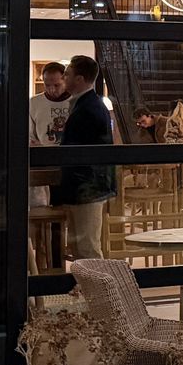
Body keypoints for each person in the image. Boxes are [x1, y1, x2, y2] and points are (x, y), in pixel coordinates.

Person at [54, 55, 117, 261]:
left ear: (80, 79)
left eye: (68, 74)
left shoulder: (90, 108)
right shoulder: (85, 104)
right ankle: (83, 288)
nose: (64, 77)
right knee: (78, 245)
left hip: (88, 186)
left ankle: (99, 291)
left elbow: (87, 150)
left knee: (88, 246)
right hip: (82, 186)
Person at [28, 62, 71, 145]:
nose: (52, 90)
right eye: (47, 85)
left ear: (65, 80)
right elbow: (30, 137)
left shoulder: (77, 101)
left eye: (56, 85)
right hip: (43, 154)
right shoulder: (34, 103)